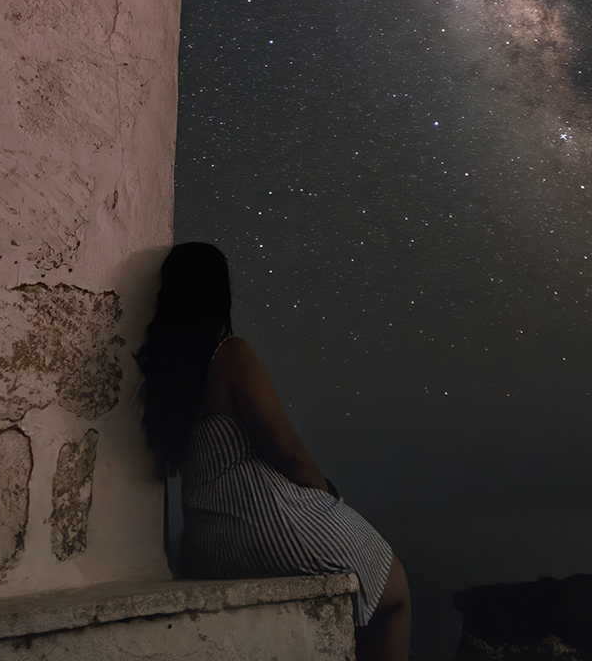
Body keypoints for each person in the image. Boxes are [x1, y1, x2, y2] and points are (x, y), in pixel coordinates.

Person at [142, 242, 410, 661]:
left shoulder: (164, 379)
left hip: (207, 539)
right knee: (395, 590)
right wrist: (325, 494)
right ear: (219, 295)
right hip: (265, 527)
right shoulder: (231, 355)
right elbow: (286, 450)